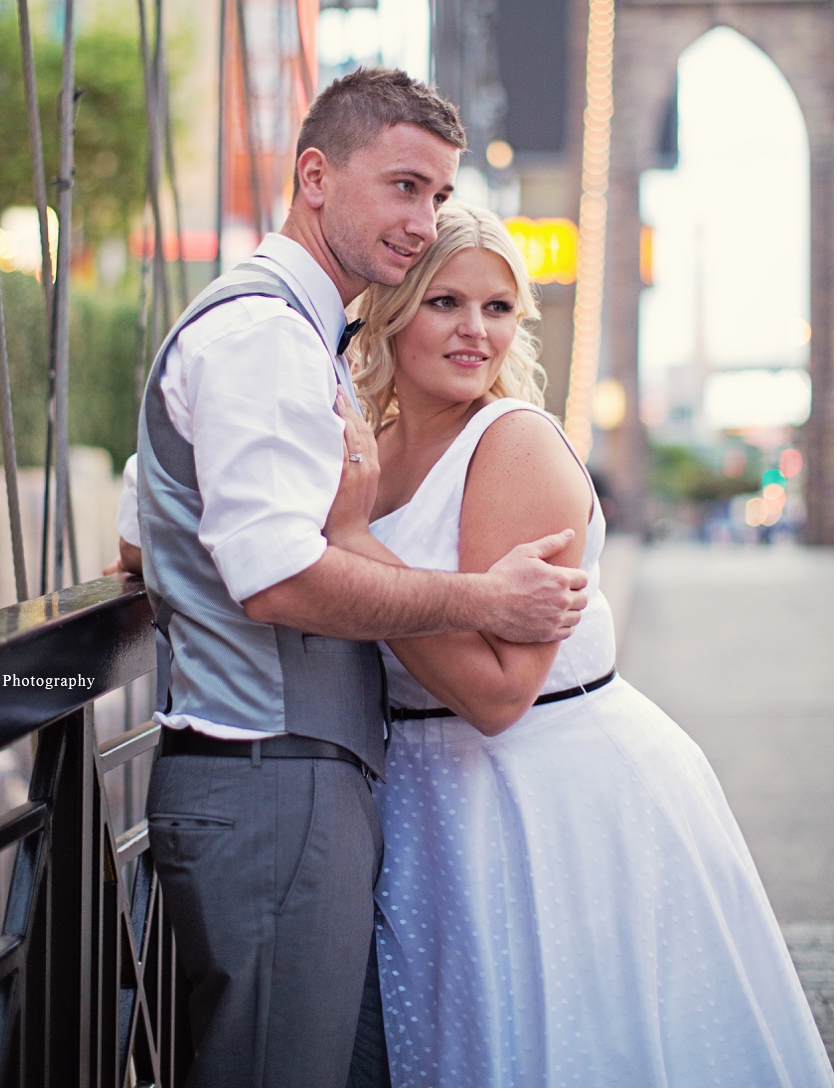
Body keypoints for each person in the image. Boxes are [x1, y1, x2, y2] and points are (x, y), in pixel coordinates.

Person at [131, 69, 588, 1089]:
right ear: (315, 176)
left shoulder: (288, 335)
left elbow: (145, 526)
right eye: (402, 187)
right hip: (271, 779)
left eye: (436, 195)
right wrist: (479, 598)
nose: (423, 220)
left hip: (285, 782)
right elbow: (280, 580)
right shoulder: (262, 337)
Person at [322, 200, 833, 1090]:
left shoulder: (516, 445)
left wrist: (356, 552)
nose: (474, 330)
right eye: (445, 302)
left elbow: (497, 694)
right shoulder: (372, 447)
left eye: (498, 307)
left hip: (549, 799)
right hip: (426, 800)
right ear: (392, 308)